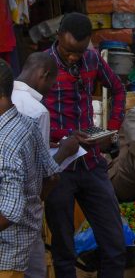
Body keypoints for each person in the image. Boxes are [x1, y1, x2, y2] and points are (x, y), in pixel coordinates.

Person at [43, 13, 127, 277]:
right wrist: (63, 136)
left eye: (78, 52)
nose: (73, 58)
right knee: (64, 250)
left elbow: (118, 89)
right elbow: (29, 112)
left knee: (114, 244)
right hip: (57, 167)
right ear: (58, 39)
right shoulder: (42, 65)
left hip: (91, 162)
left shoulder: (92, 58)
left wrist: (111, 131)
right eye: (68, 51)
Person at [0, 59, 74, 278]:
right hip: (22, 242)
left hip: (5, 254)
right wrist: (33, 205)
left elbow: (10, 210)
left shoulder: (5, 142)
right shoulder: (26, 124)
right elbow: (51, 177)